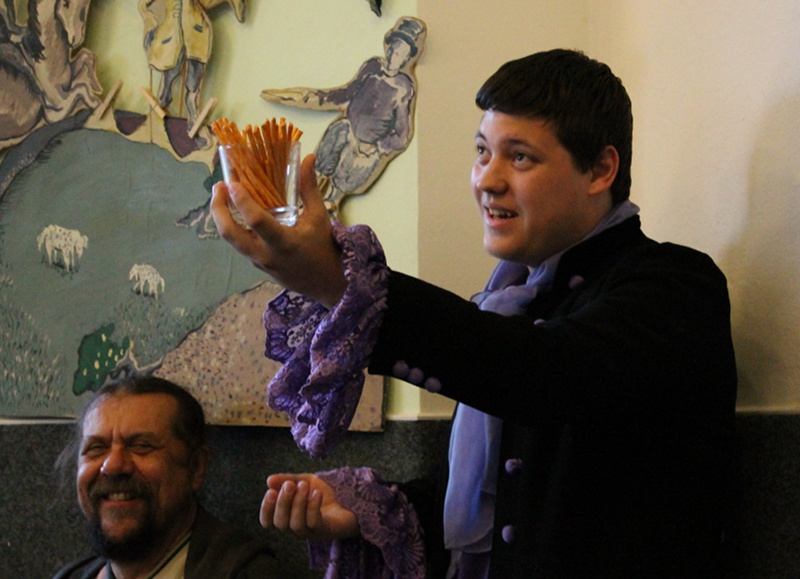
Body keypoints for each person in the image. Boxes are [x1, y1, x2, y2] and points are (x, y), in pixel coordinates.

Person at [210, 49, 738, 577]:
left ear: (600, 170)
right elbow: (500, 509)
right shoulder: (506, 300)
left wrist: (341, 282)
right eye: (483, 152)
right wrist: (367, 511)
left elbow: (547, 374)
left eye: (520, 157)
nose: (488, 179)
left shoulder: (676, 285)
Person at [52, 376, 281, 579]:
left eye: (141, 446)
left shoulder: (244, 573)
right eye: (96, 448)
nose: (112, 466)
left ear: (196, 466)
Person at [260, 17, 426, 217]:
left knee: (356, 163)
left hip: (367, 150)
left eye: (401, 52)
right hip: (347, 130)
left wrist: (378, 148)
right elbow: (344, 95)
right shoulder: (373, 67)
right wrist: (300, 97)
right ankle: (305, 197)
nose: (394, 55)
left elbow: (402, 135)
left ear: (407, 57)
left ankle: (332, 202)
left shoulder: (404, 88)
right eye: (393, 48)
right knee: (338, 132)